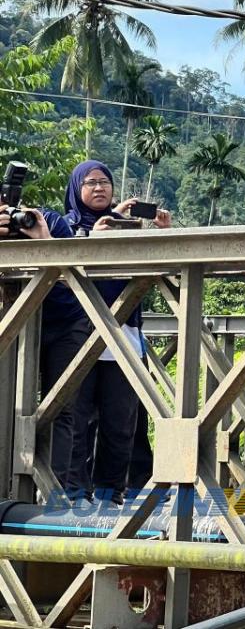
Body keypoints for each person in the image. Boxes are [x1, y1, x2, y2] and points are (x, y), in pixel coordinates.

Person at [64, 160, 171, 504]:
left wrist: (162, 233)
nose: (99, 188)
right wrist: (93, 238)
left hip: (123, 335)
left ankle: (112, 492)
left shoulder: (126, 226)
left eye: (105, 182)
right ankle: (77, 493)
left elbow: (164, 267)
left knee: (120, 419)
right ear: (76, 189)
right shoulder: (66, 226)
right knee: (77, 417)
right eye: (91, 183)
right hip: (80, 335)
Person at [0, 178, 88, 496]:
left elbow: (75, 281)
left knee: (60, 406)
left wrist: (44, 241)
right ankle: (10, 487)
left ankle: (55, 492)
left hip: (64, 323)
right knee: (9, 405)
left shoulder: (47, 221)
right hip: (16, 326)